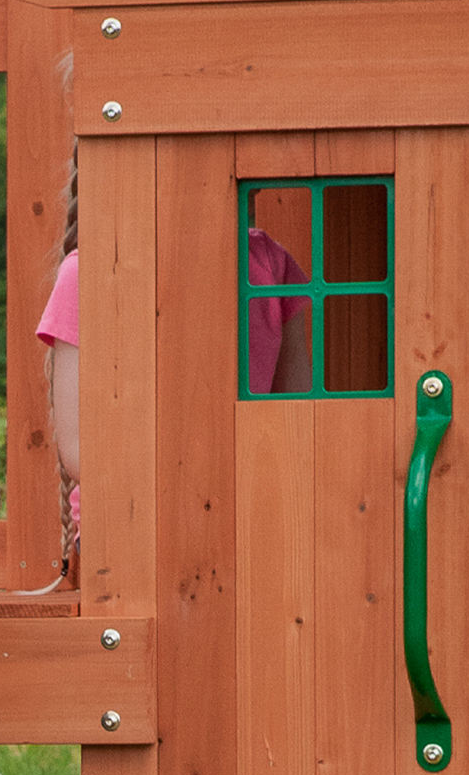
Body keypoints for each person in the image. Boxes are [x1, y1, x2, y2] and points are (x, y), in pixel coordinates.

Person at [37, 183, 310, 570]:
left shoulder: (268, 261)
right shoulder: (91, 270)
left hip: (244, 511)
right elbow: (81, 452)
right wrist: (186, 504)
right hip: (129, 520)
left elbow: (294, 413)